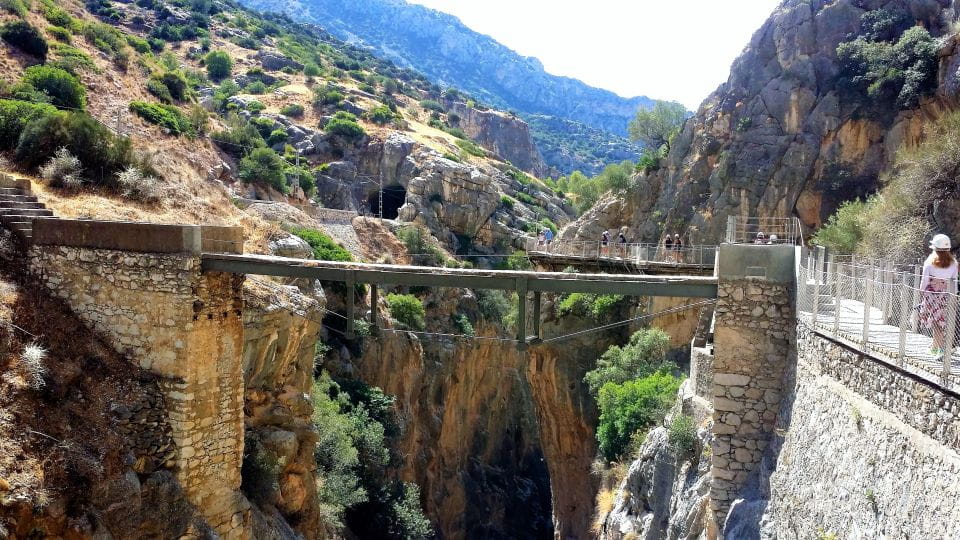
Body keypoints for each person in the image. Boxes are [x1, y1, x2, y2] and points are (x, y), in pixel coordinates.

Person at [919, 234, 959, 357]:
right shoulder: (954, 263)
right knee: (941, 322)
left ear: (935, 248)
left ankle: (939, 349)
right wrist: (954, 295)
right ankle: (935, 346)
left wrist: (921, 292)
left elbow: (925, 280)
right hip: (945, 296)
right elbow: (954, 282)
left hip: (932, 295)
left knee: (936, 323)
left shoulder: (930, 262)